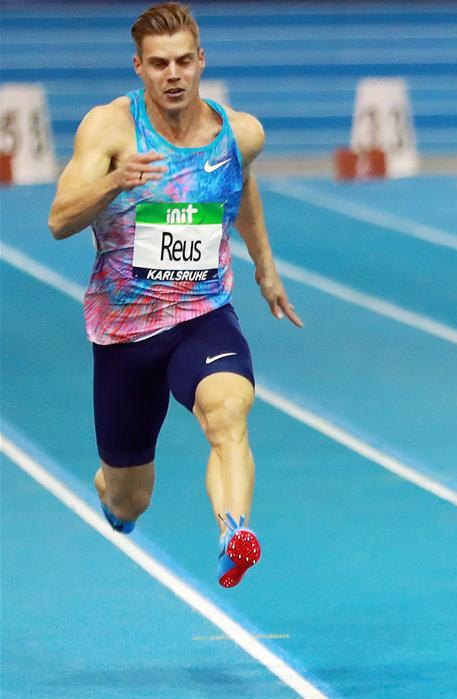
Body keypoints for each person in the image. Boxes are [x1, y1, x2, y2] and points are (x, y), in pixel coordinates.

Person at [47, 2, 302, 588]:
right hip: (125, 332)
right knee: (130, 500)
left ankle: (234, 531)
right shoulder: (110, 128)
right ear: (138, 67)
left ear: (201, 61)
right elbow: (60, 219)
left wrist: (265, 268)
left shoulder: (240, 133)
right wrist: (116, 179)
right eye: (159, 63)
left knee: (229, 414)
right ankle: (112, 494)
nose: (173, 74)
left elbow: (242, 187)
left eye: (184, 61)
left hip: (202, 314)